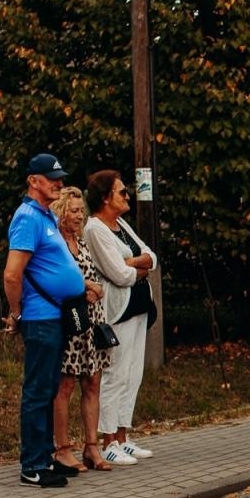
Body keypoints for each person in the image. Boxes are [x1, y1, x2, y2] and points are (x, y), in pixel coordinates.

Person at [2, 153, 85, 488]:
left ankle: (45, 457)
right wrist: (17, 312)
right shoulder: (27, 218)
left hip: (55, 316)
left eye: (60, 178)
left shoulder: (46, 215)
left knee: (49, 388)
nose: (59, 184)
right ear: (33, 181)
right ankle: (32, 465)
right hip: (39, 317)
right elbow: (12, 274)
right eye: (52, 178)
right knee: (37, 391)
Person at [83, 169, 158, 464]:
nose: (127, 196)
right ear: (105, 198)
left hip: (139, 307)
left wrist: (133, 263)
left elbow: (151, 256)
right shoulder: (95, 229)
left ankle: (124, 436)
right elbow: (120, 274)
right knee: (114, 373)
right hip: (118, 309)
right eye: (122, 192)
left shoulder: (121, 223)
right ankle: (108, 439)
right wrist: (134, 266)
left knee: (133, 372)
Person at [49, 187, 113, 471]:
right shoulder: (55, 244)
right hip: (70, 321)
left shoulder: (81, 241)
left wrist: (95, 289)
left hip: (92, 321)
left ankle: (91, 446)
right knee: (65, 385)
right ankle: (62, 448)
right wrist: (87, 287)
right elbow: (58, 278)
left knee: (93, 382)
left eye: (80, 210)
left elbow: (90, 274)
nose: (79, 215)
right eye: (73, 210)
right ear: (61, 212)